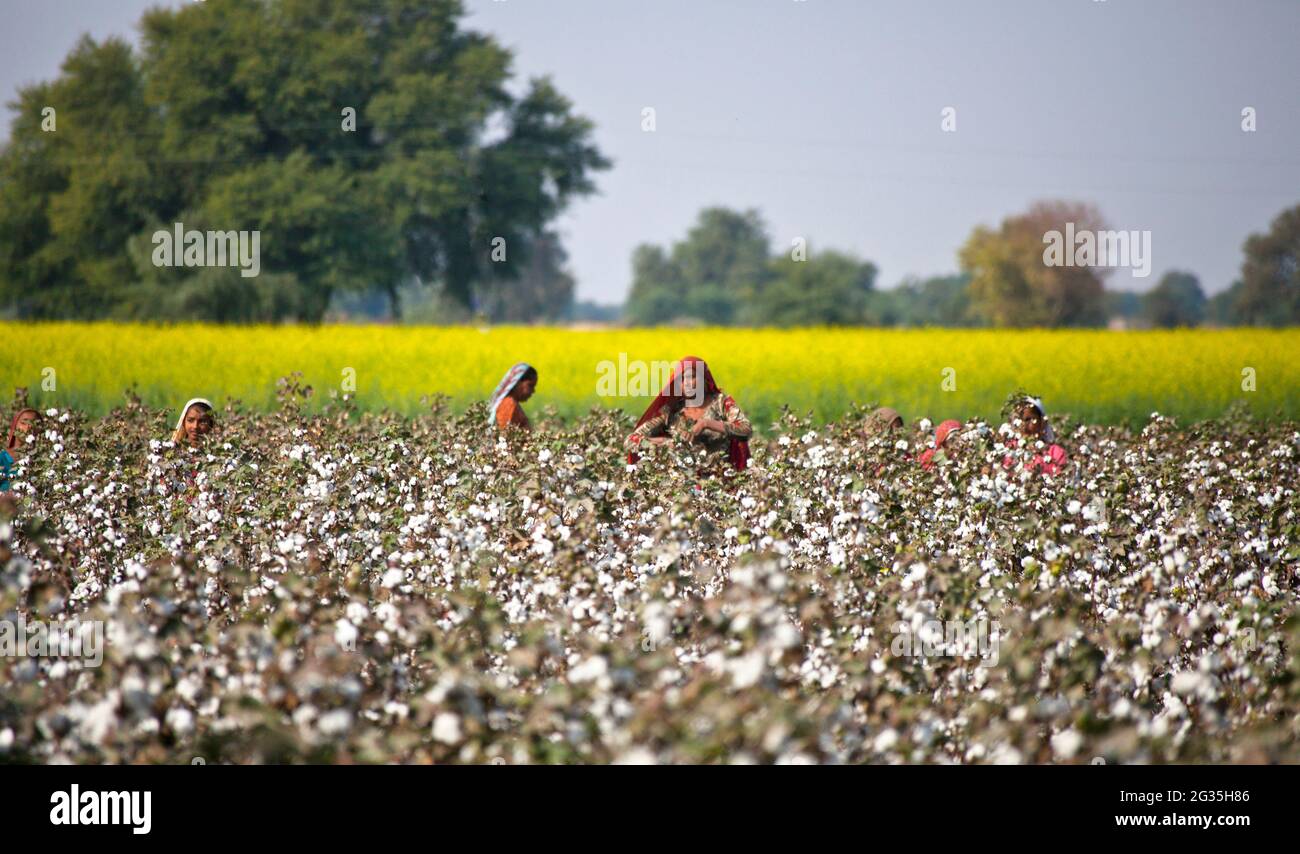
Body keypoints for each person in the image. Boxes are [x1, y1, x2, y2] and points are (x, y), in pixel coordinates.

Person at [626, 356, 751, 470]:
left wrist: (706, 423)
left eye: (691, 377)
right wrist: (666, 443)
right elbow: (631, 441)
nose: (686, 383)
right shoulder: (672, 411)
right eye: (681, 379)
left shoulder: (721, 402)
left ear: (704, 379)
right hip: (683, 486)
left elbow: (745, 429)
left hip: (720, 482)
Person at [1002, 395, 1066, 476]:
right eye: (1020, 419)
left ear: (1042, 422)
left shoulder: (1055, 453)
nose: (1024, 425)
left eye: (1029, 419)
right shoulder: (1008, 451)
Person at [488, 363, 537, 431]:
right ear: (516, 382)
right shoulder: (508, 404)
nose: (533, 391)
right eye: (530, 385)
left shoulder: (509, 402)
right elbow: (504, 434)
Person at [1, 408, 39, 492]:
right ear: (15, 426)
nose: (29, 427)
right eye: (24, 423)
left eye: (35, 424)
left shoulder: (41, 459)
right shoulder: (2, 458)